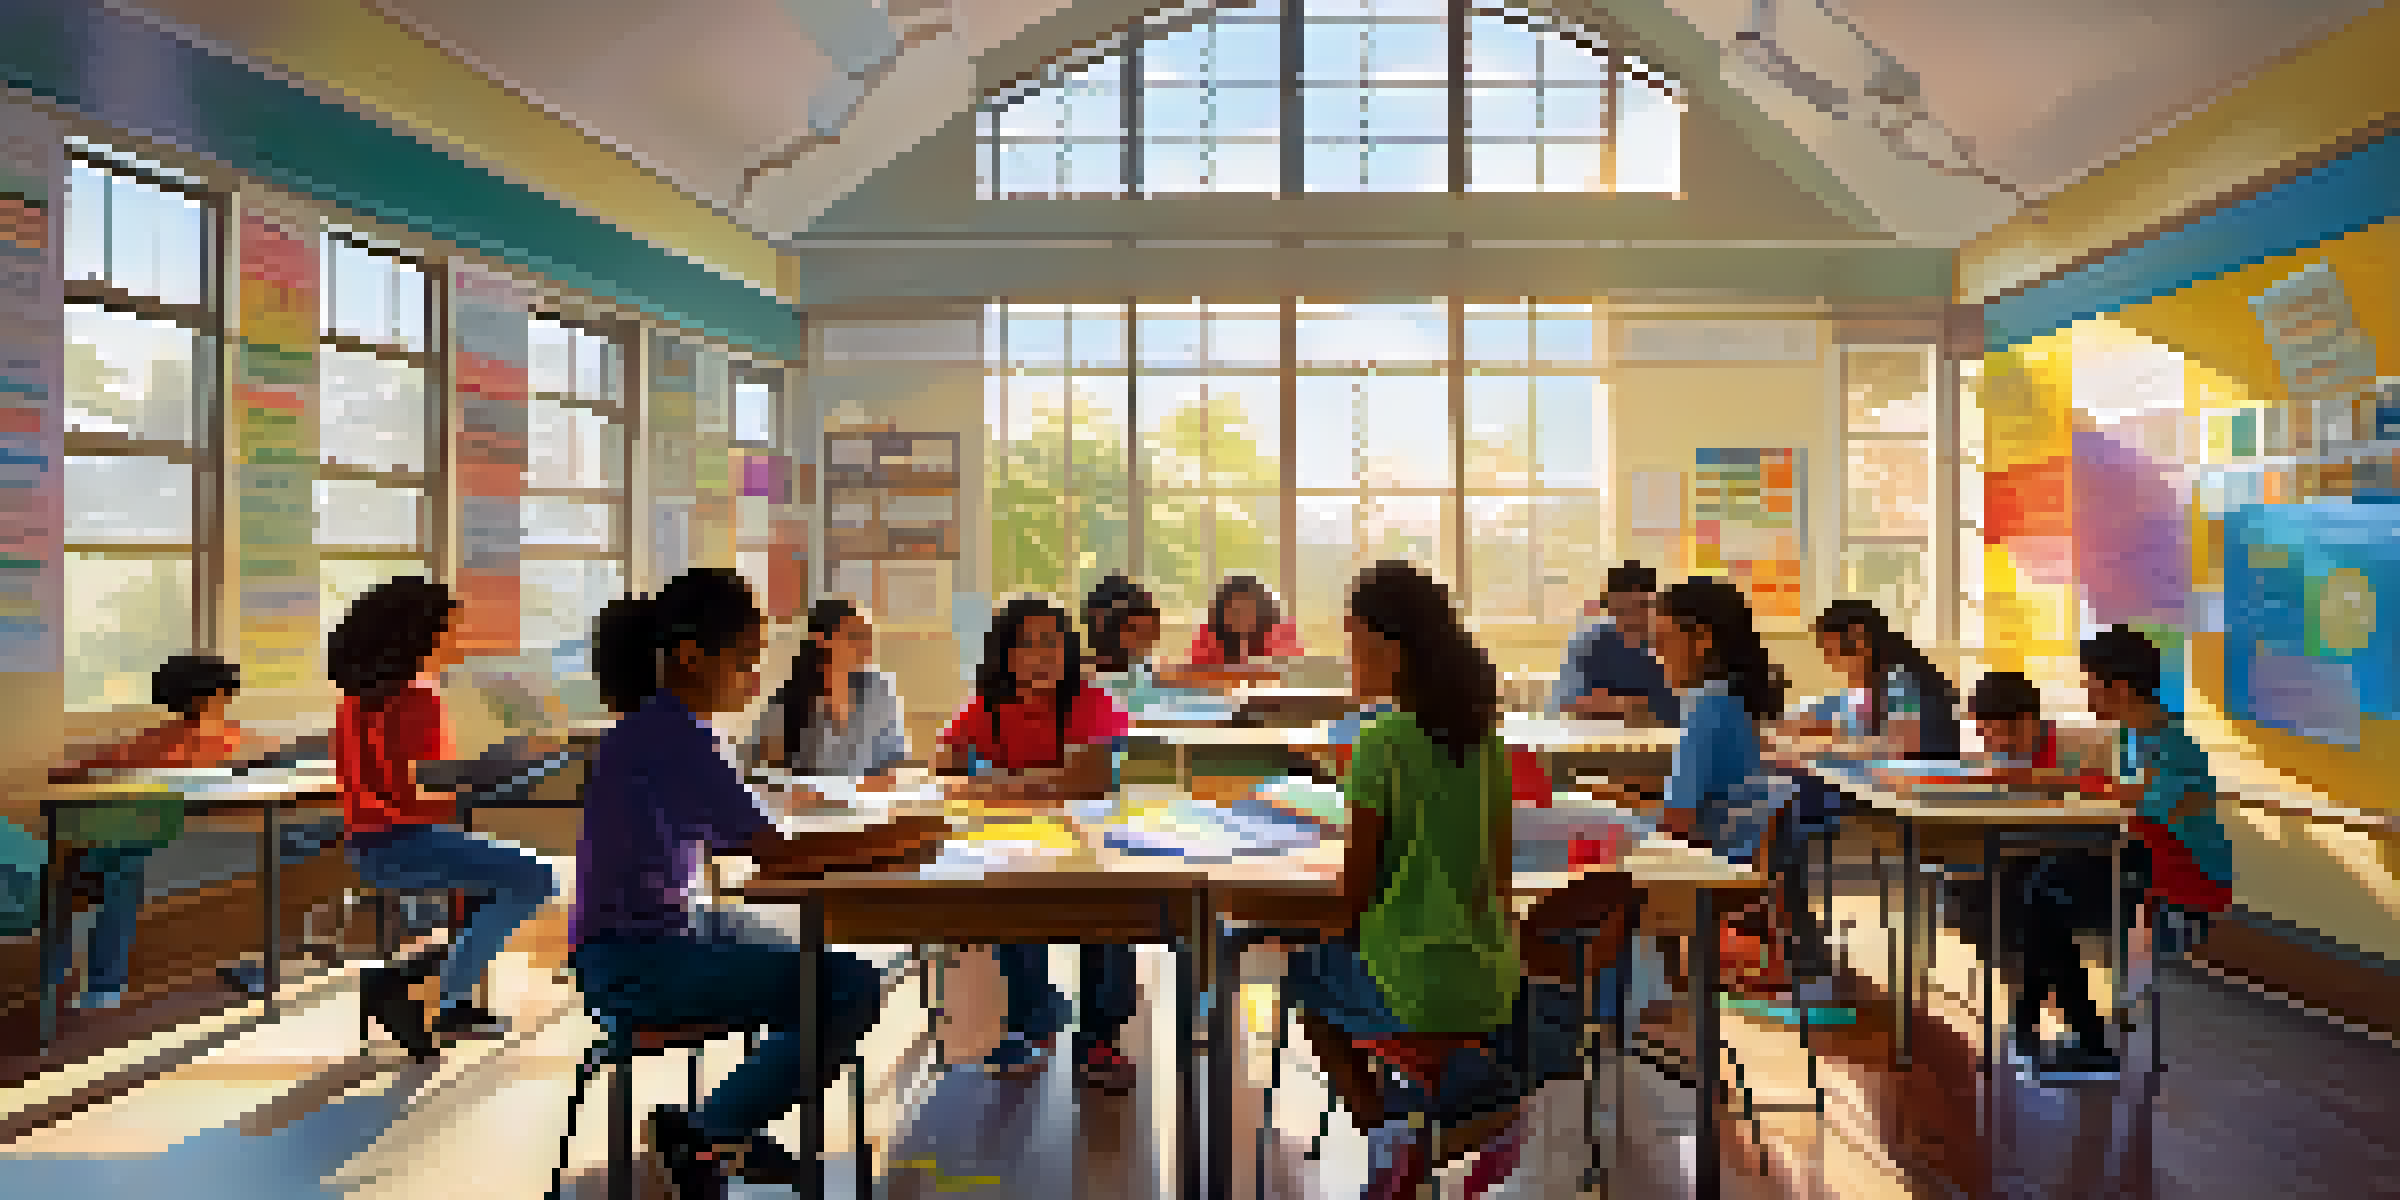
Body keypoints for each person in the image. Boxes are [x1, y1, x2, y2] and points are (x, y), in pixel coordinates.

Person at [1283, 561, 1525, 1199]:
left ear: (1390, 649)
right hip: (1492, 981)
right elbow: (1499, 880)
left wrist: (1316, 922)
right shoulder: (1487, 743)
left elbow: (1356, 892)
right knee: (1361, 978)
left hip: (1412, 982)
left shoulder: (1381, 742)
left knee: (1305, 978)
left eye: (1354, 644)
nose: (1349, 659)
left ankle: (1388, 1125)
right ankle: (1459, 1107)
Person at [329, 577, 557, 1060]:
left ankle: (417, 986)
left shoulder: (354, 699)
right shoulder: (419, 697)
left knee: (489, 887)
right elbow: (418, 794)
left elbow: (384, 784)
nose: (456, 638)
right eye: (450, 628)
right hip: (405, 842)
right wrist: (502, 773)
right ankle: (443, 998)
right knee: (536, 878)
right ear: (423, 633)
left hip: (366, 843)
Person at [936, 596, 1141, 1093]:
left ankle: (1100, 1036)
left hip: (1093, 845)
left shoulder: (1092, 701)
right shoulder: (990, 707)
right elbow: (946, 765)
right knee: (1011, 897)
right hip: (1020, 843)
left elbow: (1090, 779)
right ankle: (1033, 1019)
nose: (1041, 654)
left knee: (1112, 907)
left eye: (1051, 642)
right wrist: (1038, 781)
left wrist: (1005, 781)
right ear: (1005, 653)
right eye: (1027, 643)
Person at [2046, 626, 2235, 1084]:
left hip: (2183, 885)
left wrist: (2084, 784)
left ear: (2120, 687)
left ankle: (2093, 1039)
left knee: (2048, 894)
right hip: (2145, 869)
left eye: (2090, 682)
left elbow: (2142, 801)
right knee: (2043, 887)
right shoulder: (2134, 735)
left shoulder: (2167, 741)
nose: (2085, 691)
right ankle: (2081, 1028)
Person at [46, 655, 273, 1010]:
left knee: (83, 869)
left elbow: (63, 775)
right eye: (228, 691)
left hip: (154, 854)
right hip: (229, 853)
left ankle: (79, 982)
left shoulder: (146, 745)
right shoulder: (249, 742)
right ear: (215, 697)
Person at [745, 598, 908, 781]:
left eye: (867, 636)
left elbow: (895, 762)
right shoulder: (789, 699)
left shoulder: (878, 689)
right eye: (854, 636)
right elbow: (761, 771)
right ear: (821, 639)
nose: (866, 646)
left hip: (869, 804)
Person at [1795, 600, 1960, 759]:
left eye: (1831, 651)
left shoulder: (1902, 678)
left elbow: (1900, 747)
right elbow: (1846, 712)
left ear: (1859, 641)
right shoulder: (1875, 678)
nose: (1829, 661)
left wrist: (1832, 741)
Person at [1549, 561, 1679, 726]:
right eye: (1624, 610)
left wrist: (1625, 706)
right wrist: (1629, 707)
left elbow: (1680, 708)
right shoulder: (1589, 643)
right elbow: (1563, 706)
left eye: (1642, 606)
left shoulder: (1669, 644)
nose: (1634, 616)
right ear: (1611, 606)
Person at [1184, 575, 1302, 668]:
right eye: (1234, 611)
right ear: (1220, 613)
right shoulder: (1209, 637)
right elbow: (1196, 674)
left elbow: (1295, 671)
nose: (1242, 617)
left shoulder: (1281, 634)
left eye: (1249, 609)